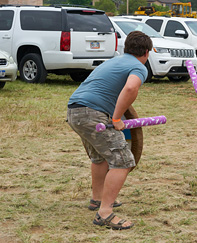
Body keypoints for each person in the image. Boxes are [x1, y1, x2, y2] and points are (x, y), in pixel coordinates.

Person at [67, 31, 153, 230]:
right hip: (93, 114)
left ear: (126, 48)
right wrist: (116, 118)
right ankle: (104, 213)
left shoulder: (113, 61)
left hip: (74, 110)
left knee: (100, 157)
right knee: (123, 160)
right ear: (146, 52)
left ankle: (97, 199)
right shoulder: (137, 66)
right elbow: (131, 88)